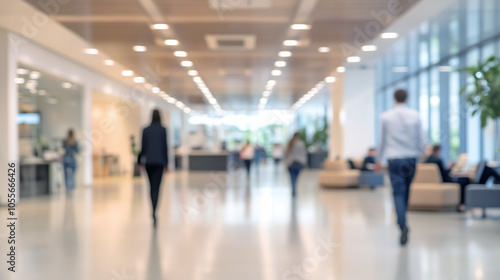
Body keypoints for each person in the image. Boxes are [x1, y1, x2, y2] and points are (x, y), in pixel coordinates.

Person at [375, 89, 426, 246]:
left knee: (398, 192)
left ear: (394, 98)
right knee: (406, 191)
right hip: (410, 159)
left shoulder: (386, 116)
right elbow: (421, 139)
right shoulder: (415, 115)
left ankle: (402, 223)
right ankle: (403, 219)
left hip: (394, 159)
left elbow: (382, 141)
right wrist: (420, 154)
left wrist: (378, 159)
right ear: (407, 97)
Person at [138, 109, 169, 228]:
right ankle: (155, 211)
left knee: (151, 187)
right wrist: (167, 163)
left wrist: (139, 162)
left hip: (149, 162)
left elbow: (143, 147)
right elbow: (164, 147)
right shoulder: (163, 130)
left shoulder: (145, 130)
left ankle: (153, 209)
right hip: (160, 162)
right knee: (157, 187)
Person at [425, 145, 469, 211]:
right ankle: (461, 204)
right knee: (464, 181)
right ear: (438, 151)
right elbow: (444, 173)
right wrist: (450, 167)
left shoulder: (428, 159)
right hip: (444, 180)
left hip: (433, 180)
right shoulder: (438, 160)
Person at [284, 133, 307, 197]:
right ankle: (294, 189)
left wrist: (286, 162)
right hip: (299, 163)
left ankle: (293, 189)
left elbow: (285, 154)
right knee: (296, 178)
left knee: (292, 178)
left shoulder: (290, 143)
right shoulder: (301, 144)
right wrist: (304, 163)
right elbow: (304, 154)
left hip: (291, 164)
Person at [62, 129, 79, 196]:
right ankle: (71, 188)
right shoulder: (75, 142)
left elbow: (62, 149)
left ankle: (67, 188)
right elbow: (77, 151)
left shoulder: (64, 141)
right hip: (72, 159)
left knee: (66, 175)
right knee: (72, 175)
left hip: (66, 159)